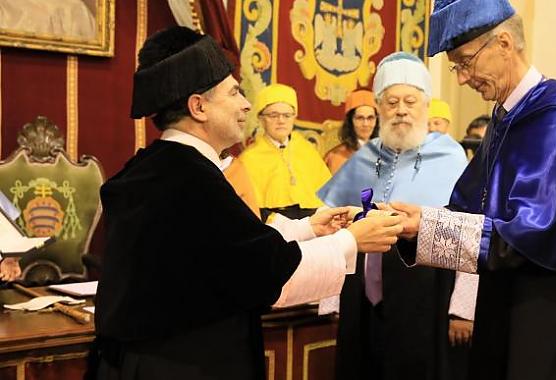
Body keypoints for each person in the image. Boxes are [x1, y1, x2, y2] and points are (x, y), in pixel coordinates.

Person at [91, 26, 402, 380]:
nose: (246, 105)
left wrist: (308, 228)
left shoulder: (156, 166)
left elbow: (226, 252)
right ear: (198, 106)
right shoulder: (191, 180)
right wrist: (352, 240)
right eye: (235, 92)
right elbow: (265, 273)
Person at [388, 1, 556, 379]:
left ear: (504, 43)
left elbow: (531, 230)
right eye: (456, 67)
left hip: (548, 309)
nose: (462, 79)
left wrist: (427, 226)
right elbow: (470, 208)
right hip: (501, 296)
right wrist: (412, 220)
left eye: (465, 62)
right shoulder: (504, 115)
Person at [316, 52, 476, 380]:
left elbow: (470, 232)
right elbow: (334, 228)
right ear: (379, 107)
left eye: (410, 101)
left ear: (426, 105)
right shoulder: (365, 157)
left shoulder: (449, 155)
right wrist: (331, 299)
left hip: (425, 289)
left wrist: (463, 308)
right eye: (391, 102)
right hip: (362, 293)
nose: (401, 110)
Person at [238, 84, 331, 220]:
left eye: (287, 115)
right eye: (273, 115)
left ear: (294, 117)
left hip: (314, 221)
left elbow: (327, 194)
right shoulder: (249, 159)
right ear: (261, 119)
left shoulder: (307, 149)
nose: (281, 121)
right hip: (271, 224)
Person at [324, 89, 379, 174]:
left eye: (370, 118)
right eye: (360, 118)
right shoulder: (335, 157)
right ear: (350, 121)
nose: (366, 124)